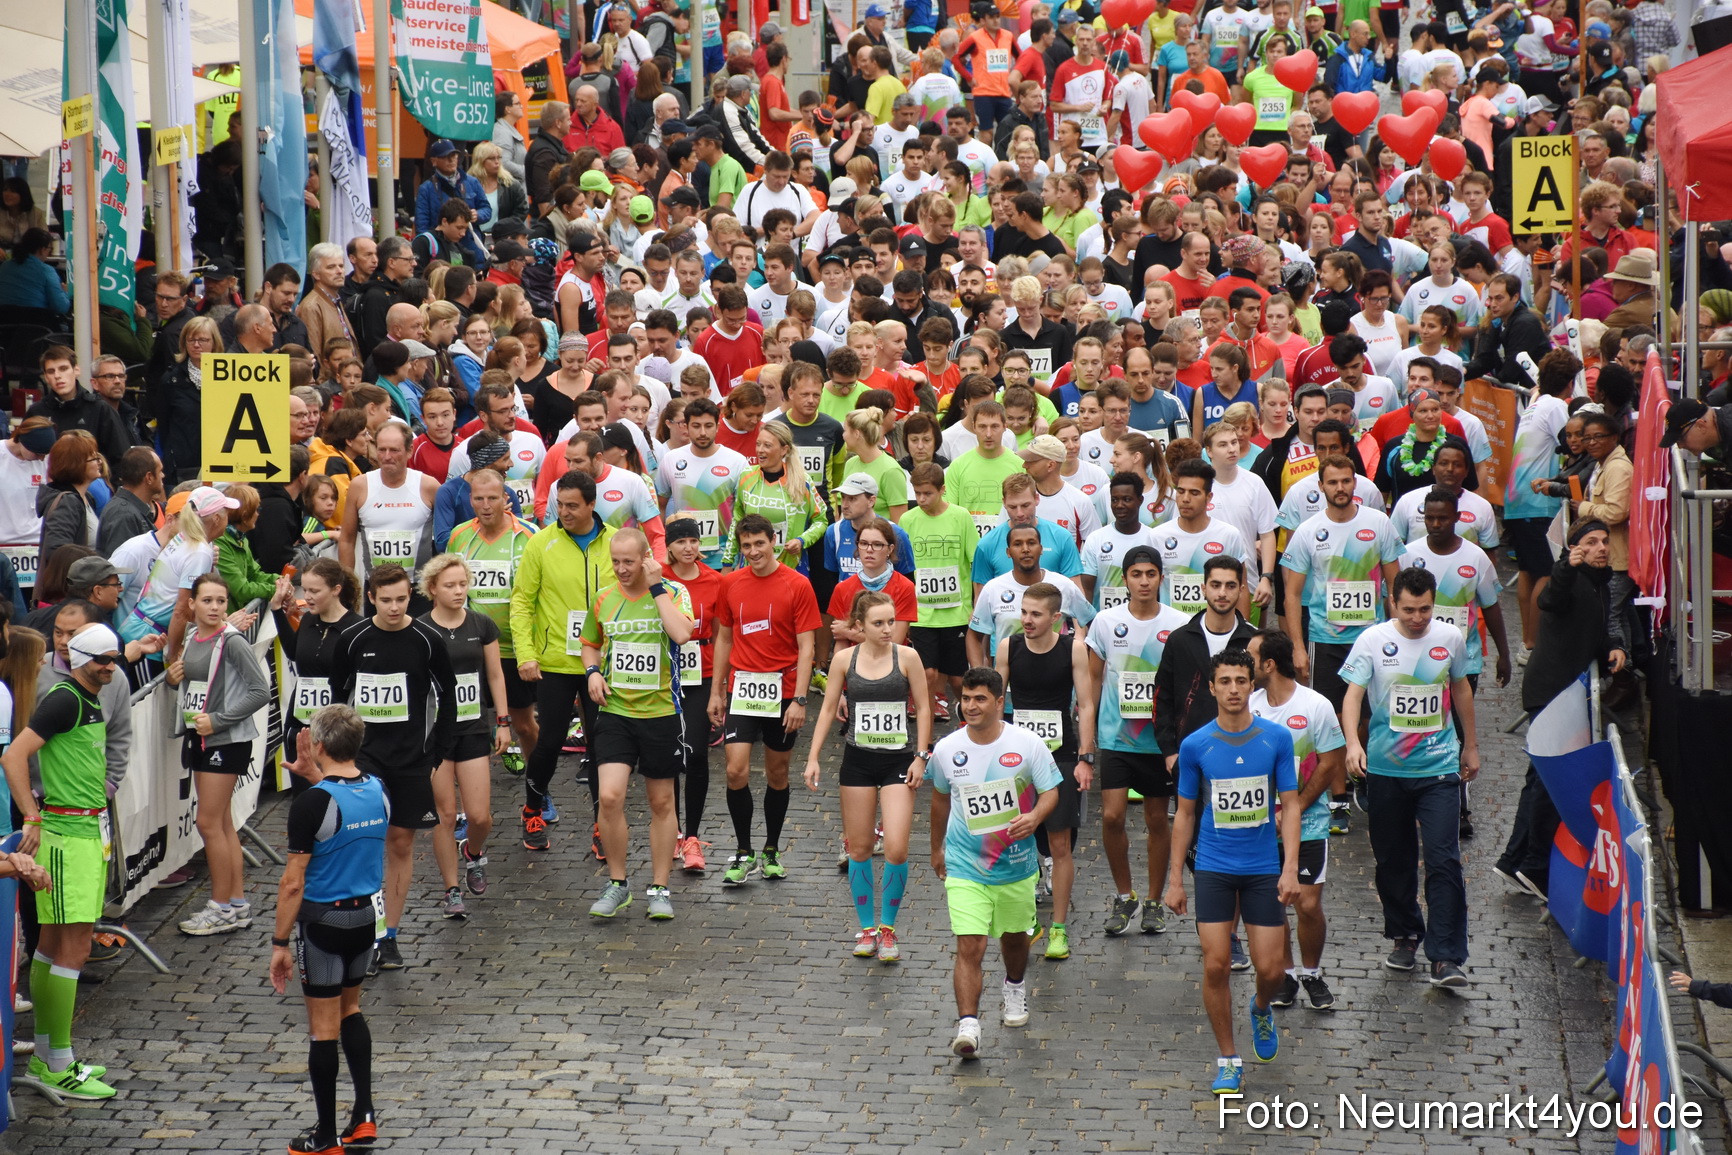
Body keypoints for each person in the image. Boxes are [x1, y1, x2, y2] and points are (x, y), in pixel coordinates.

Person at [1162, 648, 1301, 1094]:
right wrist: (1174, 880)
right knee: (1217, 965)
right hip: (1214, 867)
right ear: (1212, 687)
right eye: (1225, 681)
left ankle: (1260, 1008)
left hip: (1262, 867)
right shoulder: (1195, 744)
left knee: (1272, 968)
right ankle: (1228, 1058)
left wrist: (1290, 868)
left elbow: (1291, 805)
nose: (1234, 689)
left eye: (1241, 681)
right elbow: (1185, 813)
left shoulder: (1276, 739)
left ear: (1252, 684)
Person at [3, 622, 126, 1100]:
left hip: (83, 834)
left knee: (54, 947)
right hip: (67, 836)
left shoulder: (84, 697)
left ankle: (48, 1056)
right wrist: (31, 816)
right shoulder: (66, 699)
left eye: (114, 658)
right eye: (103, 660)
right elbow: (14, 757)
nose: (111, 667)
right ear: (81, 660)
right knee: (71, 950)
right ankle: (58, 1060)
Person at [1340, 566, 1478, 988]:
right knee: (1393, 859)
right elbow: (1353, 695)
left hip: (1438, 768)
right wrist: (1353, 744)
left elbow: (1461, 689)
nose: (1417, 618)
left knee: (1443, 858)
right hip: (1386, 770)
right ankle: (1404, 935)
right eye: (1409, 610)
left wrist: (1470, 745)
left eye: (1425, 609)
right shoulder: (1372, 640)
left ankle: (1446, 955)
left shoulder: (1450, 638)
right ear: (1392, 604)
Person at [271, 704, 390, 1154]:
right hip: (364, 920)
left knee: (323, 1029)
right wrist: (315, 776)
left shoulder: (311, 803)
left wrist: (280, 943)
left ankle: (324, 1137)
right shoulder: (378, 789)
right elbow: (346, 807)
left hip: (323, 924)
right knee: (351, 1010)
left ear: (318, 745)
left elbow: (292, 882)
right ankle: (364, 1116)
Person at [328, 564, 458, 972]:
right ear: (371, 598)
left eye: (401, 599)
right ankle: (361, 930)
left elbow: (449, 697)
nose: (394, 607)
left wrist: (437, 753)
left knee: (400, 845)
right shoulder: (352, 639)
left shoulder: (428, 640)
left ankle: (389, 936)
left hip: (412, 759)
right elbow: (337, 699)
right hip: (363, 759)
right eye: (386, 600)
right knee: (363, 843)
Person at [930, 666, 1060, 1058]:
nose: (970, 706)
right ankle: (968, 1025)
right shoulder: (948, 749)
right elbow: (939, 800)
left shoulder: (1028, 745)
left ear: (1000, 702)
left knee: (1015, 938)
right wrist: (936, 848)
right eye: (966, 698)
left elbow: (1051, 792)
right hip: (965, 865)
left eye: (980, 699)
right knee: (969, 944)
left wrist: (1034, 818)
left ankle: (1015, 986)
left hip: (1015, 866)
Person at [806, 589, 932, 962]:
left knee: (896, 847)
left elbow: (925, 709)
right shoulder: (844, 659)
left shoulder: (907, 657)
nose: (888, 629)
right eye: (879, 623)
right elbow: (827, 709)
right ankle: (866, 928)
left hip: (898, 762)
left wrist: (922, 756)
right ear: (859, 626)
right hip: (857, 762)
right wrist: (813, 757)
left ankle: (888, 928)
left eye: (891, 621)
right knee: (859, 849)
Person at [1278, 455, 1402, 833]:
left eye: (1346, 481)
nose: (1340, 488)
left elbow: (1395, 585)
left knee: (1371, 716)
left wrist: (1399, 633)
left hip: (1372, 641)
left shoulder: (1378, 524)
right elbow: (1291, 595)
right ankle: (1338, 798)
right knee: (1330, 719)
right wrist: (1297, 646)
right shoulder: (1308, 531)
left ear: (1355, 483)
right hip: (1325, 640)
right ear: (1321, 487)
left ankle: (1360, 768)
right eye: (1332, 482)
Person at [580, 529, 696, 920]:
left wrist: (656, 586)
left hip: (661, 712)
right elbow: (589, 642)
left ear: (646, 557)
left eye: (629, 561)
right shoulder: (604, 598)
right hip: (616, 712)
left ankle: (660, 887)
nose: (621, 569)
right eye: (615, 562)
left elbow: (682, 633)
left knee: (661, 802)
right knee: (610, 796)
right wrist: (593, 672)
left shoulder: (674, 592)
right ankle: (617, 883)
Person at [707, 514, 821, 887]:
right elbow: (724, 639)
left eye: (759, 543)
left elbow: (807, 647)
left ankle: (771, 849)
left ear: (773, 540)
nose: (754, 551)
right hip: (743, 690)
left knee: (777, 773)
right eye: (746, 546)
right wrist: (717, 691)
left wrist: (800, 699)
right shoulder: (730, 584)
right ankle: (744, 851)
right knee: (735, 770)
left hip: (784, 691)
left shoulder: (798, 584)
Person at [509, 471, 619, 855]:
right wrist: (526, 654)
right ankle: (532, 809)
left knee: (601, 747)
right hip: (555, 661)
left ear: (592, 505)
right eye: (560, 505)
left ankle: (602, 826)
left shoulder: (616, 541)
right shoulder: (541, 543)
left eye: (573, 505)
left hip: (602, 664)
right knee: (550, 742)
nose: (565, 512)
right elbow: (522, 602)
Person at [1084, 544, 1190, 937]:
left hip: (1159, 743)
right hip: (1116, 738)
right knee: (1112, 816)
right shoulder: (1105, 622)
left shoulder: (1179, 623)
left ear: (1161, 577)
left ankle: (1153, 900)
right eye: (1136, 574)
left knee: (1156, 819)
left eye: (1150, 574)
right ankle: (1124, 894)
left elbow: (1184, 685)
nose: (1143, 581)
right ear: (1125, 579)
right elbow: (1093, 680)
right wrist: (1088, 736)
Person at [168, 573, 273, 935]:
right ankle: (236, 904)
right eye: (207, 600)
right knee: (223, 823)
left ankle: (221, 907)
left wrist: (219, 720)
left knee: (208, 823)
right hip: (203, 739)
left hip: (225, 740)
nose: (214, 607)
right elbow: (197, 685)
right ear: (192, 604)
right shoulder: (192, 637)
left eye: (221, 601)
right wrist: (174, 679)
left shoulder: (232, 641)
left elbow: (260, 691)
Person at [1247, 627, 1345, 1012]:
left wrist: (1296, 808)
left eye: (1251, 658)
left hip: (1308, 823)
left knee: (1306, 903)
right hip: (1259, 825)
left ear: (1269, 664)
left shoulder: (1316, 705)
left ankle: (1312, 973)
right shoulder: (1248, 706)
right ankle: (1287, 974)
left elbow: (1331, 763)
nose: (1245, 665)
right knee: (1275, 903)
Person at [995, 583, 1094, 960]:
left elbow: (1086, 705)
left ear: (1056, 618)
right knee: (1016, 839)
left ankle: (1059, 929)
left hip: (1061, 755)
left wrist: (1085, 758)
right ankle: (1026, 919)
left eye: (1035, 614)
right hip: (1016, 758)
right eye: (1023, 612)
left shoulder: (1074, 649)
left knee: (1060, 845)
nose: (1026, 620)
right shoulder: (1009, 647)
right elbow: (996, 701)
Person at [417, 555, 509, 919]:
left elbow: (495, 675)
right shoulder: (420, 629)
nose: (459, 591)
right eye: (450, 585)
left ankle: (473, 852)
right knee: (444, 814)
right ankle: (451, 889)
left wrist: (503, 721)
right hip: (435, 733)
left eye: (463, 584)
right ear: (432, 589)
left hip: (473, 727)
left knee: (480, 816)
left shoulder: (481, 624)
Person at [446, 469, 540, 777]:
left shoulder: (528, 535)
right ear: (470, 499)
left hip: (513, 647)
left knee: (524, 724)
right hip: (473, 645)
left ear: (505, 498)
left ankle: (538, 785)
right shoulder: (460, 536)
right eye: (478, 499)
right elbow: (447, 585)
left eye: (492, 498)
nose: (485, 506)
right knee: (467, 721)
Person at [664, 519, 723, 871]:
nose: (688, 547)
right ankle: (671, 831)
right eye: (681, 541)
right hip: (664, 674)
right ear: (669, 547)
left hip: (703, 670)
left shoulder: (715, 581)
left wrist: (720, 688)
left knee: (697, 752)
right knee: (670, 755)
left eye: (693, 540)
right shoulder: (657, 578)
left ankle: (693, 838)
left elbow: (721, 635)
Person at [900, 462, 977, 726]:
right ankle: (927, 733)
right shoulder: (908, 520)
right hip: (922, 613)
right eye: (917, 493)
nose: (921, 499)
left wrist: (975, 605)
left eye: (927, 493)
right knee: (928, 673)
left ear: (942, 489)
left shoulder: (961, 517)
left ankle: (968, 723)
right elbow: (903, 568)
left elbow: (974, 561)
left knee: (957, 678)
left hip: (956, 612)